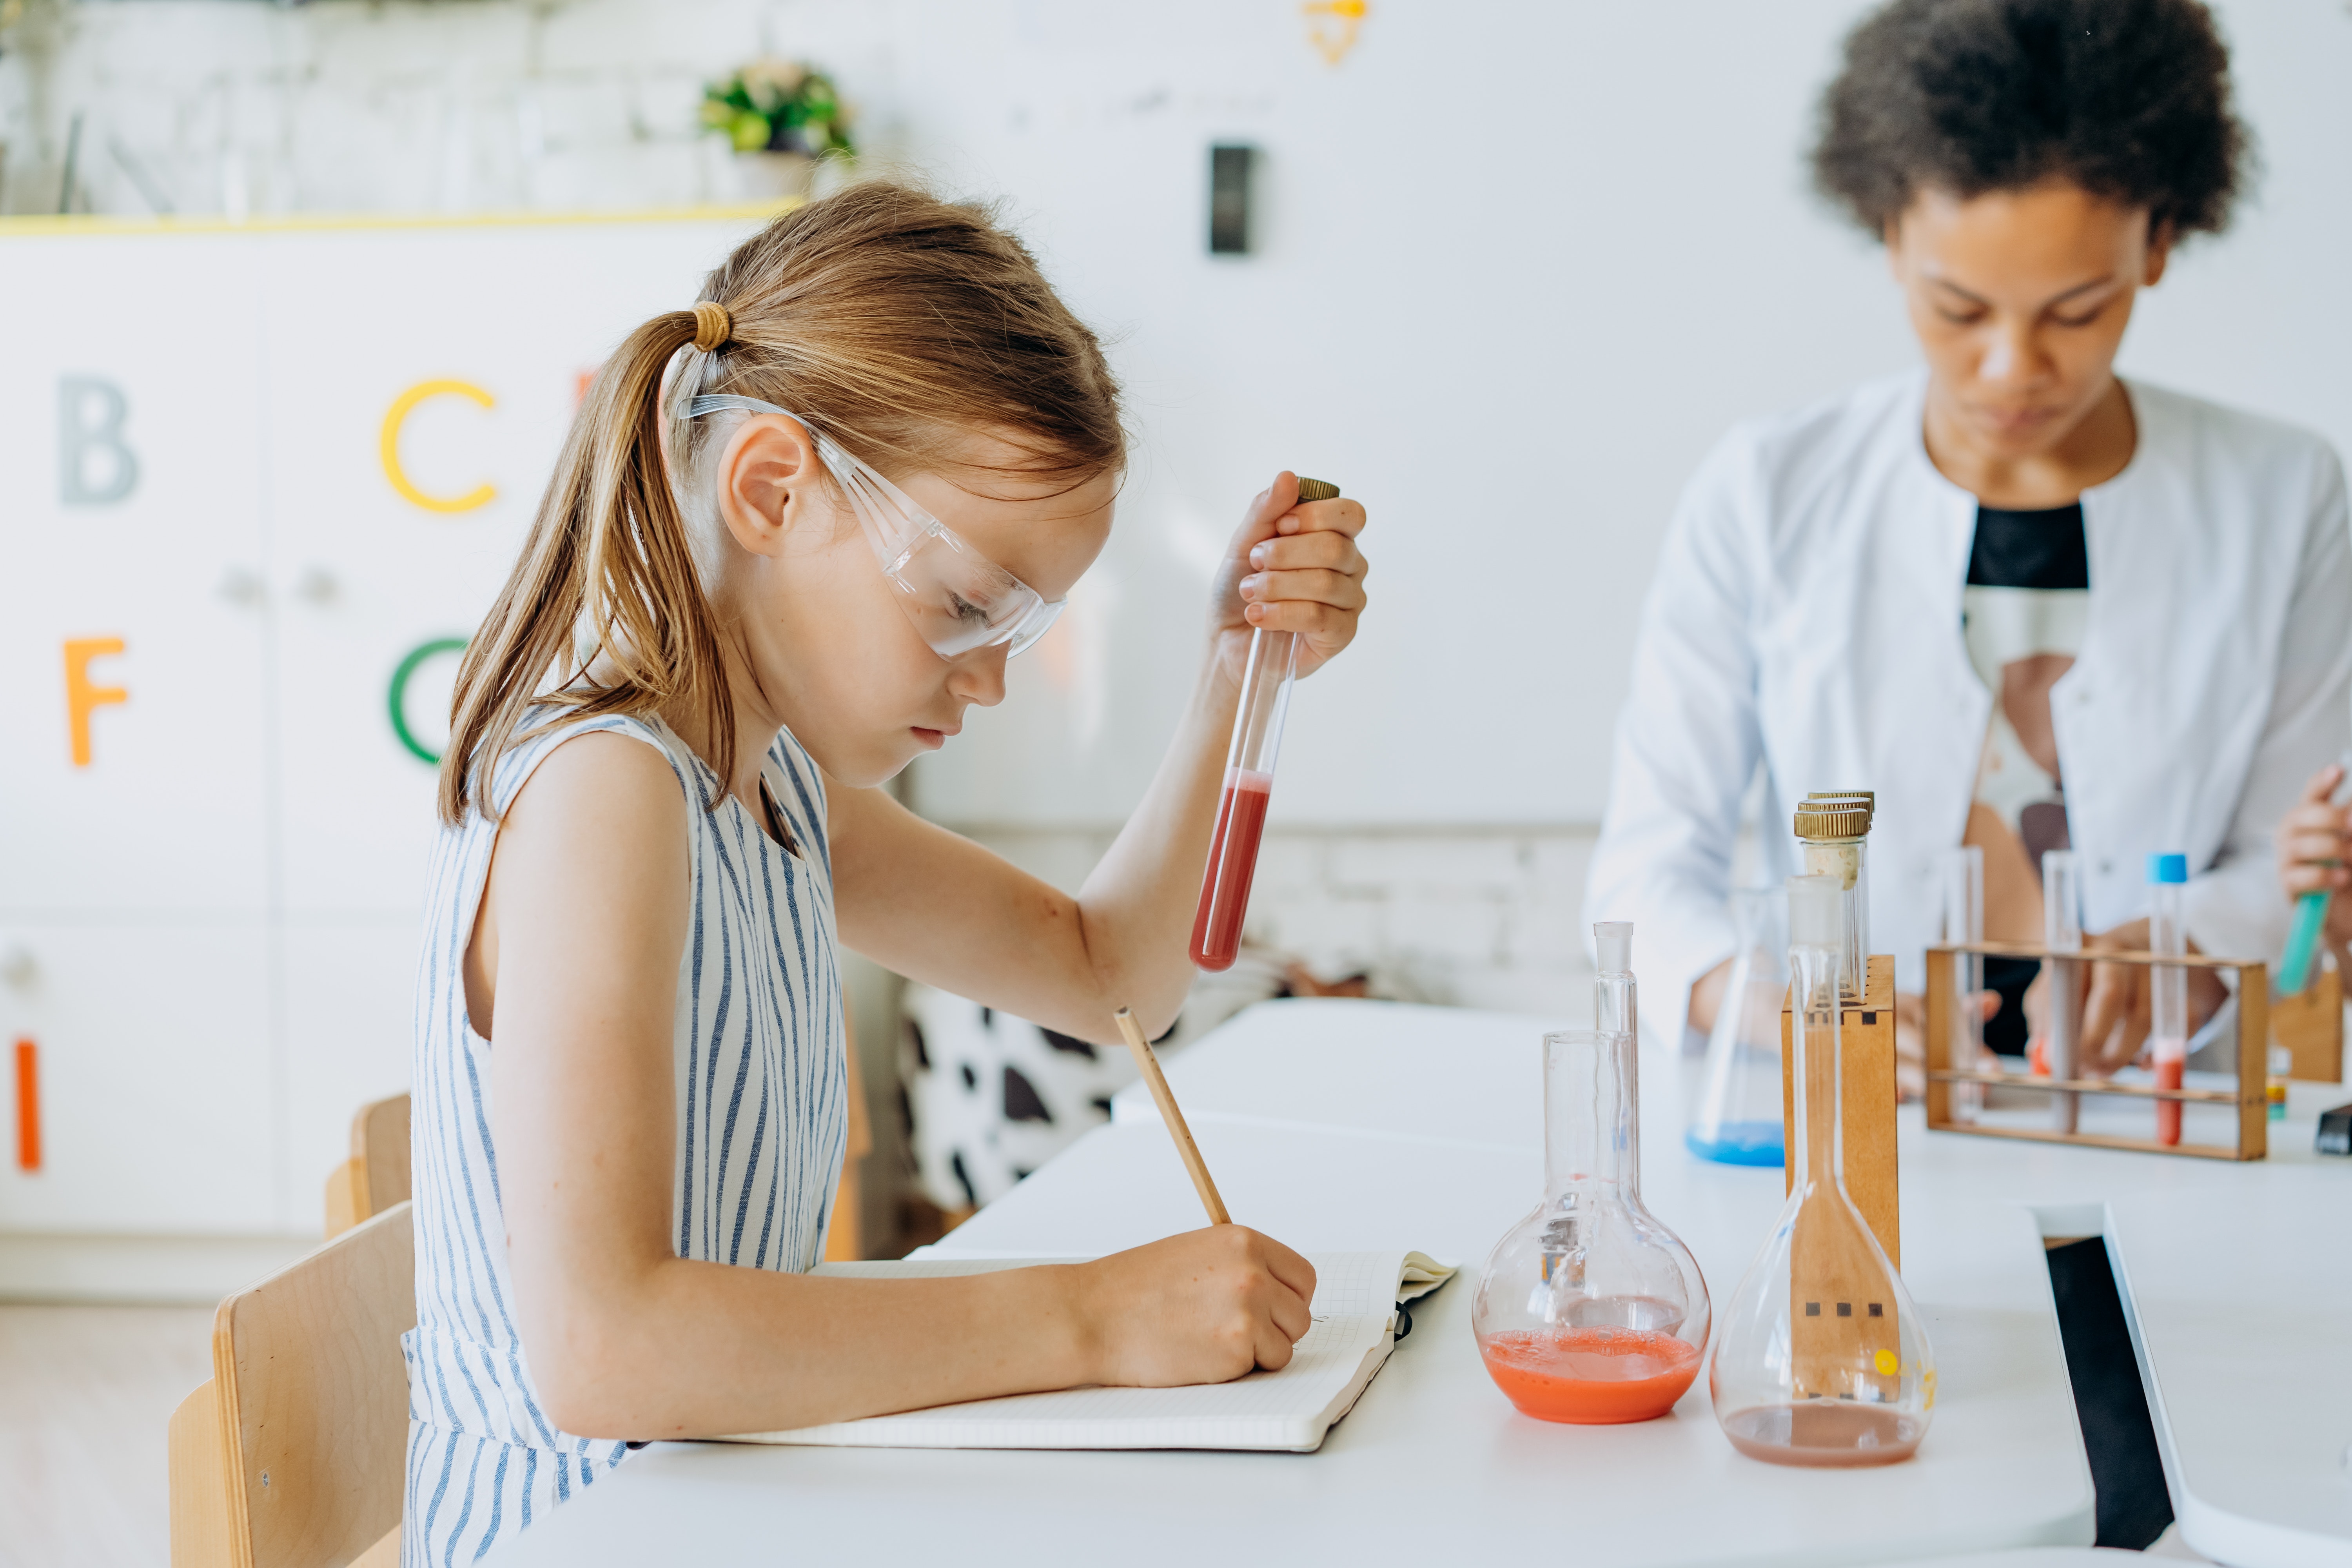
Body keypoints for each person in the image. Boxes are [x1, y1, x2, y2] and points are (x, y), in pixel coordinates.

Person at [403, 183, 1371, 1559]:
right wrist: (1095, 1318)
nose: (991, 677)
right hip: (583, 1529)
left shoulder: (782, 791)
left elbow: (1112, 981)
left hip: (725, 1507)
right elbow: (604, 1350)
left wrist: (1237, 674)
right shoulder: (606, 789)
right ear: (771, 490)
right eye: (967, 605)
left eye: (1021, 629)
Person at [1586, 0, 2351, 1089]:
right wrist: (1786, 1011)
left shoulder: (2283, 495)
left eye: (2078, 311)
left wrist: (2177, 949)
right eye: (1959, 308)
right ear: (1892, 235)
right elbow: (1644, 875)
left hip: (2153, 1117)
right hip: (1851, 1127)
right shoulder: (1767, 489)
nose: (2011, 370)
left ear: (2163, 240)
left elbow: (2292, 859)